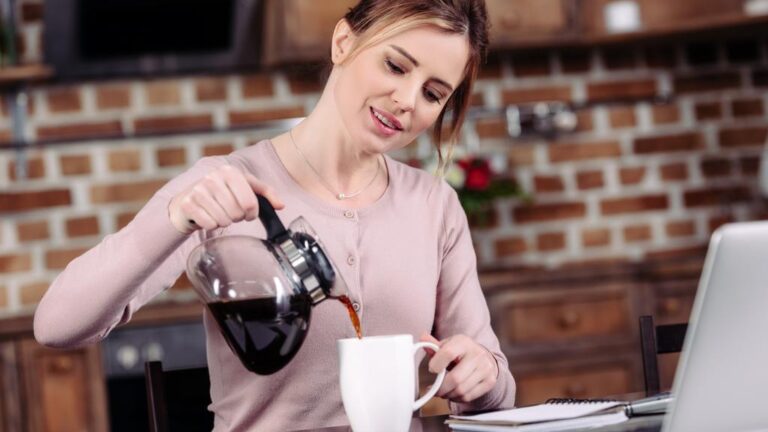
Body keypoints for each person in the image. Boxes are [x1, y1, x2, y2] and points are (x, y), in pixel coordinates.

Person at [34, 0, 517, 430]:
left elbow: (495, 394)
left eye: (433, 94)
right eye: (395, 66)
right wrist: (175, 217)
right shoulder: (225, 184)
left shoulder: (433, 206)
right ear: (344, 41)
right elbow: (57, 326)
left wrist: (484, 375)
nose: (407, 101)